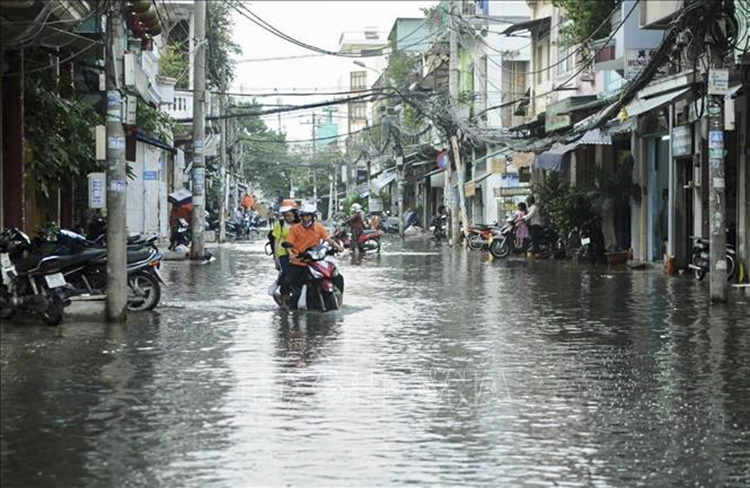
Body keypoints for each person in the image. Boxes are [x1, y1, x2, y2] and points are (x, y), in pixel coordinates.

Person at [284, 203, 343, 308]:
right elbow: (289, 244)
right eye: (303, 216)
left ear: (313, 216)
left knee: (338, 277)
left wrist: (338, 247)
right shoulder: (294, 229)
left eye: (308, 216)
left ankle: (340, 302)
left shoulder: (319, 228)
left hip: (315, 261)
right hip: (299, 262)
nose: (305, 218)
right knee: (290, 282)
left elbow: (328, 239)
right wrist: (291, 254)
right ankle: (289, 305)